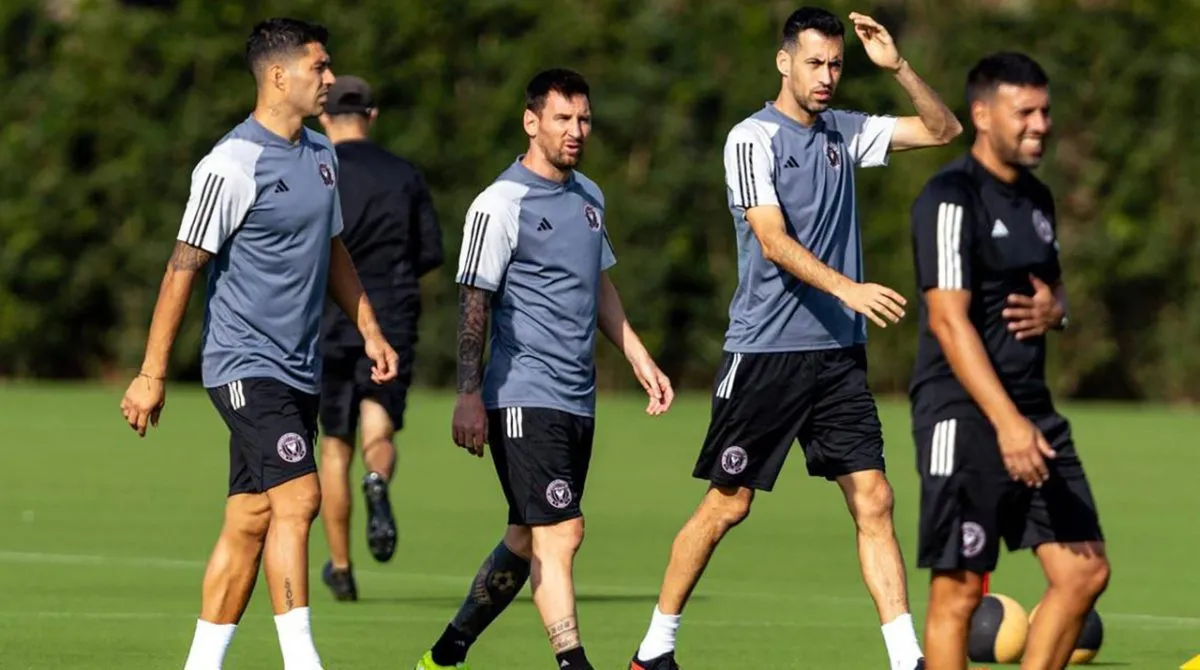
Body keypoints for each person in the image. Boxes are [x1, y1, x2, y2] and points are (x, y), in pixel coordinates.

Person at [630, 7, 963, 670]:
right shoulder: (750, 138)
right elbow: (771, 239)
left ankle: (907, 660)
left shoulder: (845, 131)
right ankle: (653, 651)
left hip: (836, 358)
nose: (827, 76)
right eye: (814, 63)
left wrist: (897, 66)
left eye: (835, 64)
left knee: (874, 497)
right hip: (766, 354)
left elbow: (942, 130)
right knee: (728, 505)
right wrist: (848, 290)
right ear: (784, 62)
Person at [118, 18, 399, 670]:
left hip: (299, 368)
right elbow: (182, 268)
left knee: (249, 520)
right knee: (298, 498)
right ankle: (303, 661)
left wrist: (369, 327)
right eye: (318, 66)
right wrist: (151, 373)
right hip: (243, 364)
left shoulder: (323, 155)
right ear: (278, 75)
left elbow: (333, 249)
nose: (329, 78)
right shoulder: (231, 163)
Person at [413, 68, 674, 670]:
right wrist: (468, 395)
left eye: (584, 119)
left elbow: (597, 282)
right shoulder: (500, 203)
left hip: (577, 397)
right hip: (522, 394)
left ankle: (446, 654)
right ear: (531, 122)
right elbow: (474, 301)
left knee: (527, 535)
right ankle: (573, 664)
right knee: (563, 532)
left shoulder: (590, 197)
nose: (576, 130)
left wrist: (638, 355)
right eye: (562, 118)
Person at [907, 51, 1110, 670]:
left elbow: (1054, 291)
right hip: (963, 413)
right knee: (960, 590)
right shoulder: (950, 196)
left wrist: (1058, 311)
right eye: (1025, 112)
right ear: (982, 115)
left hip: (1031, 411)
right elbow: (948, 320)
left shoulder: (1038, 198)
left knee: (1083, 572)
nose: (1040, 124)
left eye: (1044, 111)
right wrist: (1007, 423)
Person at [314, 74, 445, 602]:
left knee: (334, 447)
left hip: (327, 321)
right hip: (391, 320)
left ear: (324, 117)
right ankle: (379, 480)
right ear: (372, 116)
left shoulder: (317, 170)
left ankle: (342, 568)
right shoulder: (404, 174)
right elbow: (430, 252)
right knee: (378, 428)